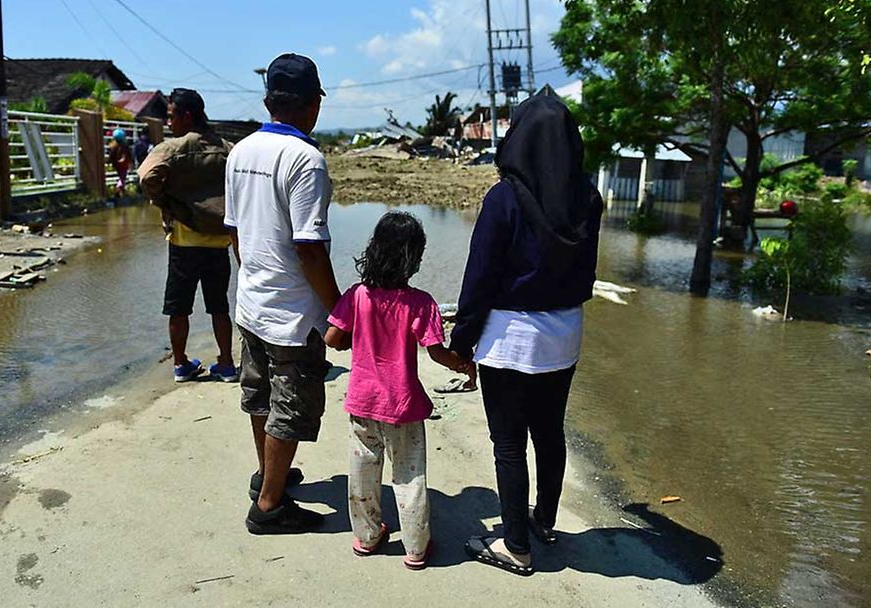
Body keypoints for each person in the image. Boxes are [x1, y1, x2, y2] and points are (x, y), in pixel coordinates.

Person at [450, 94, 603, 576]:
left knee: (509, 444)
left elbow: (480, 278)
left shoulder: (504, 198)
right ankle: (545, 520)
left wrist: (462, 342)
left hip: (512, 337)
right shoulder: (588, 198)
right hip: (564, 334)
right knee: (549, 431)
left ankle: (515, 544)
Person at [224, 53, 339, 534]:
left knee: (260, 398)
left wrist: (251, 277)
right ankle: (269, 505)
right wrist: (341, 311)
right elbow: (310, 248)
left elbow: (233, 233)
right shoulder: (305, 159)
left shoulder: (240, 151)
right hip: (292, 314)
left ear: (269, 100)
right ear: (313, 105)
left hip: (251, 304)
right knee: (289, 407)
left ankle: (267, 475)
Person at [324, 211, 472, 570]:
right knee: (409, 477)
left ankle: (369, 536)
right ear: (414, 257)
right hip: (403, 405)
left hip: (362, 402)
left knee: (362, 475)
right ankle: (416, 548)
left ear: (374, 250)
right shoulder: (421, 302)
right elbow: (436, 352)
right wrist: (464, 364)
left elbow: (332, 338)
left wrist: (352, 338)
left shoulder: (357, 295)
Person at [138, 88, 239, 383]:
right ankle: (227, 363)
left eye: (170, 116)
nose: (168, 123)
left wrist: (165, 202)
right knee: (219, 305)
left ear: (186, 116)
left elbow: (146, 176)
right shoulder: (227, 148)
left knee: (178, 307)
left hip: (184, 242)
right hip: (219, 243)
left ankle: (181, 364)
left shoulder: (173, 148)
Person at [108, 128, 132, 196]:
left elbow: (111, 156)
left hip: (116, 165)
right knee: (122, 177)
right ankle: (119, 188)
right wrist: (130, 162)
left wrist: (109, 162)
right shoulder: (125, 146)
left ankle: (121, 191)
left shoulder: (112, 146)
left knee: (121, 177)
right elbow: (129, 155)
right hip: (124, 165)